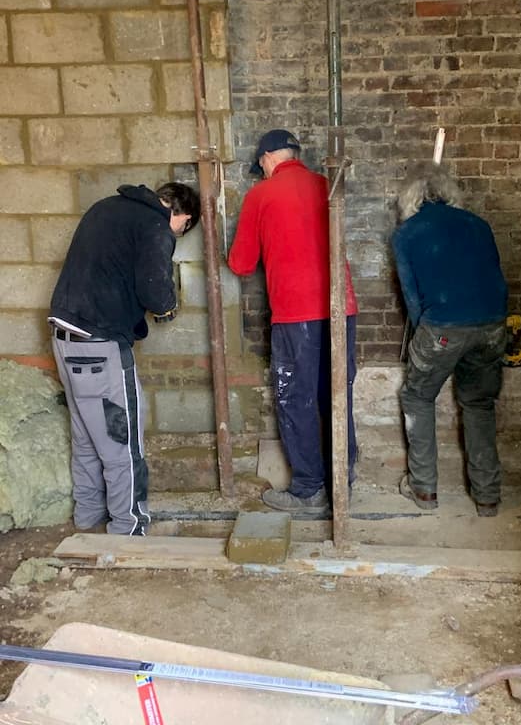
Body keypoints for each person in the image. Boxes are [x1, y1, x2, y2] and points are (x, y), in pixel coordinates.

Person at [49, 181, 200, 535]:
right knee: (122, 439)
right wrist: (168, 305)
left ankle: (87, 518)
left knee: (86, 437)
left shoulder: (106, 206)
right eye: (182, 230)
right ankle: (128, 527)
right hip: (100, 344)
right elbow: (155, 290)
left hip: (63, 335)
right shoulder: (156, 226)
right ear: (184, 218)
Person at [228, 129, 358, 514]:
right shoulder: (325, 184)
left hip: (296, 315)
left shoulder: (261, 195)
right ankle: (343, 482)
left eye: (262, 165)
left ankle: (307, 489)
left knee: (296, 399)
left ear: (268, 158)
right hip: (341, 309)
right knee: (336, 394)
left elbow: (240, 263)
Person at [391, 162, 507, 517]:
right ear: (449, 192)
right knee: (479, 403)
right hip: (492, 326)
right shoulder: (480, 225)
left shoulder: (407, 234)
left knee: (417, 396)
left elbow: (412, 298)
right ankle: (487, 497)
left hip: (442, 326)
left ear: (410, 198)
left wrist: (421, 339)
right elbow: (494, 276)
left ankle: (424, 489)